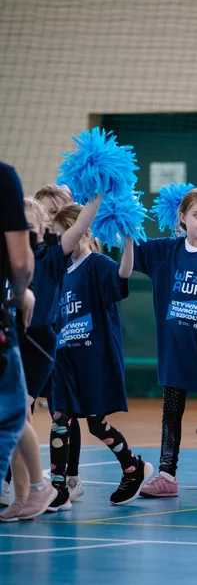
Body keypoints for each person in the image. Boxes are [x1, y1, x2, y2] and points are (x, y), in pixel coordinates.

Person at [0, 194, 102, 521]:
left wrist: (97, 191)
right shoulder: (8, 259)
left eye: (31, 227)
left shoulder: (52, 255)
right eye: (18, 227)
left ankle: (40, 486)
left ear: (44, 229)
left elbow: (82, 224)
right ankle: (23, 494)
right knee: (15, 421)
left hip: (39, 343)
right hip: (12, 339)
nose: (24, 233)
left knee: (15, 416)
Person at [47, 204, 153, 509]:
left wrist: (129, 240)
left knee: (95, 423)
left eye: (62, 234)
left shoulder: (96, 264)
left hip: (94, 358)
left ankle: (133, 468)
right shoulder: (59, 272)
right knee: (59, 420)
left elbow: (124, 273)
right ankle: (58, 487)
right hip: (65, 360)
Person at [133, 187, 197, 497]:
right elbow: (128, 245)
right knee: (171, 409)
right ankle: (167, 475)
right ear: (182, 217)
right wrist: (116, 212)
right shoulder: (165, 250)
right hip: (174, 349)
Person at [35, 183, 84, 501]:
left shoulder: (67, 255)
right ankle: (17, 478)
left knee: (62, 412)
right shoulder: (32, 250)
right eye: (44, 214)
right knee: (20, 410)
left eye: (55, 213)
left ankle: (70, 477)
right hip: (31, 340)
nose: (48, 220)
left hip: (62, 341)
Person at [0, 162, 34, 489]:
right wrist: (20, 293)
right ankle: (35, 487)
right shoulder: (4, 177)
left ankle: (32, 487)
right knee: (11, 413)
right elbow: (21, 262)